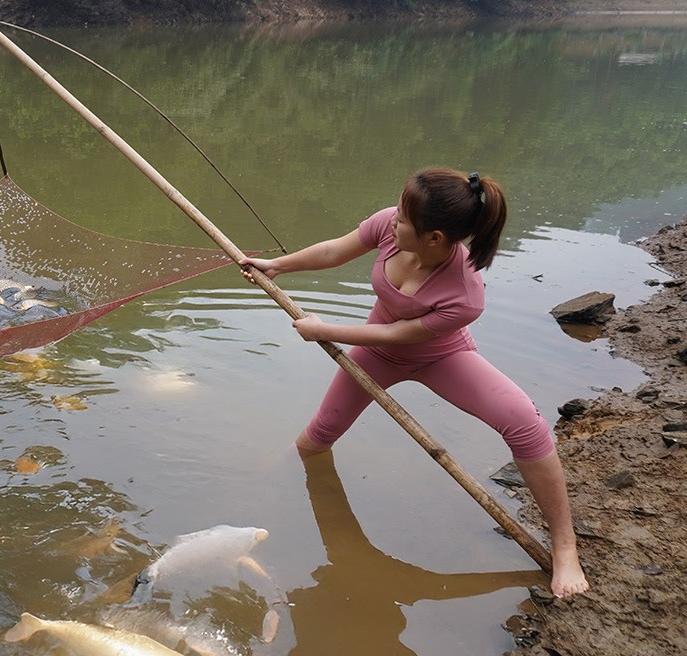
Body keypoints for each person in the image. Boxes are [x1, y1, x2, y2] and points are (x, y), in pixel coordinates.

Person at [239, 166, 589, 598]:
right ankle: (279, 477)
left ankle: (565, 547)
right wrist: (276, 266)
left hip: (440, 357)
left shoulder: (466, 294)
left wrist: (323, 330)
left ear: (434, 238)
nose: (393, 220)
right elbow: (332, 251)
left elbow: (397, 335)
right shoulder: (390, 225)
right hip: (376, 352)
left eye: (404, 220)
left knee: (523, 421)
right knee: (317, 438)